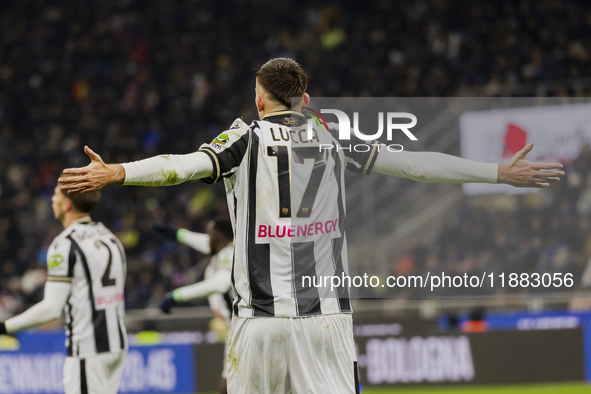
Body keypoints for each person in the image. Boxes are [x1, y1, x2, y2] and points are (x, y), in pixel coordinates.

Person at [58, 58, 564, 393]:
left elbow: (182, 165)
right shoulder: (332, 137)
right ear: (304, 97)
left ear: (260, 101)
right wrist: (496, 172)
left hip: (259, 324)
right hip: (326, 323)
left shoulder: (244, 139)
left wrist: (117, 172)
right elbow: (415, 163)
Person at [0, 178, 128, 394]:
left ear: (67, 204)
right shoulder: (110, 238)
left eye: (56, 195)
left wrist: (5, 326)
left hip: (89, 349)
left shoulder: (64, 244)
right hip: (117, 345)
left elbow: (52, 308)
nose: (52, 199)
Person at [154, 218, 234, 394]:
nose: (207, 238)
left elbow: (220, 284)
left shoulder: (228, 254)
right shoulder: (231, 248)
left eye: (210, 234)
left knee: (227, 387)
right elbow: (207, 243)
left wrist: (177, 296)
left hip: (241, 330)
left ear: (218, 238)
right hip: (237, 329)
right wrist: (178, 234)